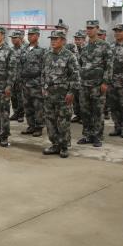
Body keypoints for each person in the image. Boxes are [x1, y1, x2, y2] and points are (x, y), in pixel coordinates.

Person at [41, 30, 80, 158]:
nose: (53, 41)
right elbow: (43, 73)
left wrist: (71, 92)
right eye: (52, 39)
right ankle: (55, 144)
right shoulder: (47, 55)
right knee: (50, 121)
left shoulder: (70, 56)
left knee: (63, 122)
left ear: (63, 40)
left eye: (56, 39)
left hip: (63, 96)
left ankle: (64, 146)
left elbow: (75, 76)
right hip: (49, 95)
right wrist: (43, 87)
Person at [78, 20, 113, 147]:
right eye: (87, 28)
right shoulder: (84, 46)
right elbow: (80, 64)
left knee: (97, 111)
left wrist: (105, 82)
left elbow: (109, 65)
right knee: (85, 111)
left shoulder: (105, 45)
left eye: (91, 28)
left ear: (97, 29)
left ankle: (98, 136)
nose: (89, 30)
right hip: (84, 85)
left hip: (97, 85)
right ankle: (87, 135)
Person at [20, 27, 46, 137]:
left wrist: (43, 84)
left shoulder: (42, 50)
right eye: (29, 34)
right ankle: (31, 126)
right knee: (27, 106)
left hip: (36, 83)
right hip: (25, 82)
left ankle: (39, 127)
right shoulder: (24, 49)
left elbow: (44, 68)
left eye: (32, 34)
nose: (30, 36)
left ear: (38, 36)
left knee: (38, 106)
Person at [71, 30, 87, 124]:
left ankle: (83, 116)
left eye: (79, 39)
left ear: (84, 40)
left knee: (83, 99)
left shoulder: (87, 50)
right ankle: (77, 115)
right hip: (75, 78)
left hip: (84, 78)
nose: (77, 41)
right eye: (76, 39)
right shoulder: (73, 50)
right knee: (75, 98)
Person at [9, 30, 25, 122]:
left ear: (20, 38)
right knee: (13, 97)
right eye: (12, 38)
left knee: (21, 97)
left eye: (15, 38)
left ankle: (21, 114)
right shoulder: (10, 50)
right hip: (12, 78)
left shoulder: (24, 49)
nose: (13, 40)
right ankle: (15, 112)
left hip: (21, 78)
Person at [98, 28, 110, 120]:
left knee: (106, 95)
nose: (99, 36)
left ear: (104, 36)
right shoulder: (95, 46)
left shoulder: (107, 46)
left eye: (101, 35)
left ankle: (106, 111)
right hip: (97, 77)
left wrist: (106, 79)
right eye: (98, 35)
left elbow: (109, 64)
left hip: (106, 76)